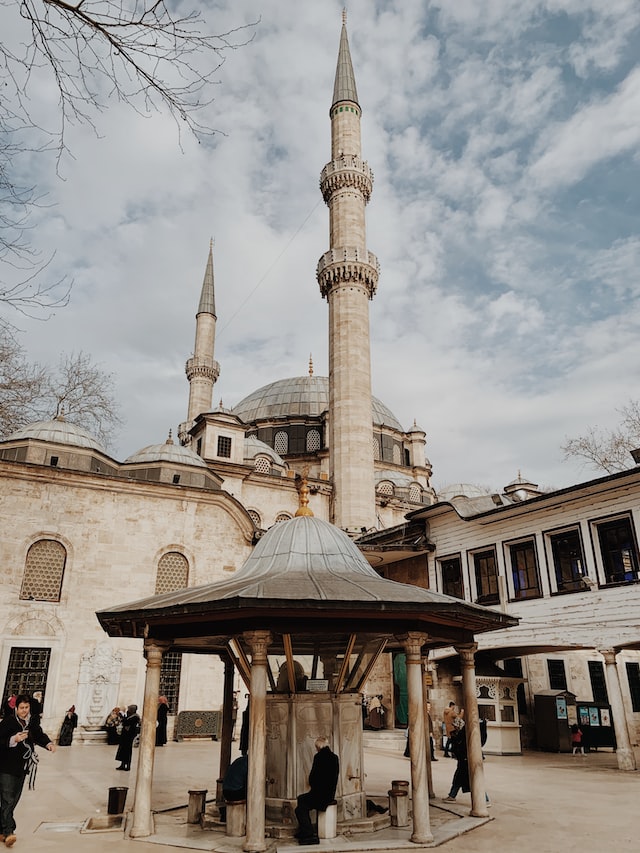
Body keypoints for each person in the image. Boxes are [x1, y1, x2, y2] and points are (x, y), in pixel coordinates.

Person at [0, 693, 56, 847]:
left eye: (26, 708)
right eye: (21, 708)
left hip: (22, 767)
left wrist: (48, 744)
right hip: (6, 767)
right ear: (16, 708)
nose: (24, 711)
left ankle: (1, 828)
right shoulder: (8, 722)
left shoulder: (31, 723)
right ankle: (9, 832)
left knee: (13, 800)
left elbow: (38, 735)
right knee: (7, 799)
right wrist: (14, 740)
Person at [295, 736, 339, 846]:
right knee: (301, 799)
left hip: (320, 795)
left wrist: (313, 785)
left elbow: (313, 778)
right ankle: (304, 831)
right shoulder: (334, 757)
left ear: (318, 747)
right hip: (329, 794)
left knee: (300, 809)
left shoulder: (319, 757)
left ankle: (309, 834)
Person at [443, 717, 469, 802]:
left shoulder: (464, 735)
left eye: (456, 726)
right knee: (458, 779)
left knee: (472, 781)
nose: (455, 728)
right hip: (461, 761)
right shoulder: (457, 735)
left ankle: (485, 799)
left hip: (465, 761)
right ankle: (452, 795)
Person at [115, 704, 140, 771]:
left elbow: (126, 722)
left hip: (129, 736)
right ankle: (122, 764)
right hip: (125, 735)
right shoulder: (129, 715)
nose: (128, 710)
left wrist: (123, 717)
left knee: (128, 751)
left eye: (129, 709)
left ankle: (128, 766)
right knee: (122, 750)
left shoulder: (135, 717)